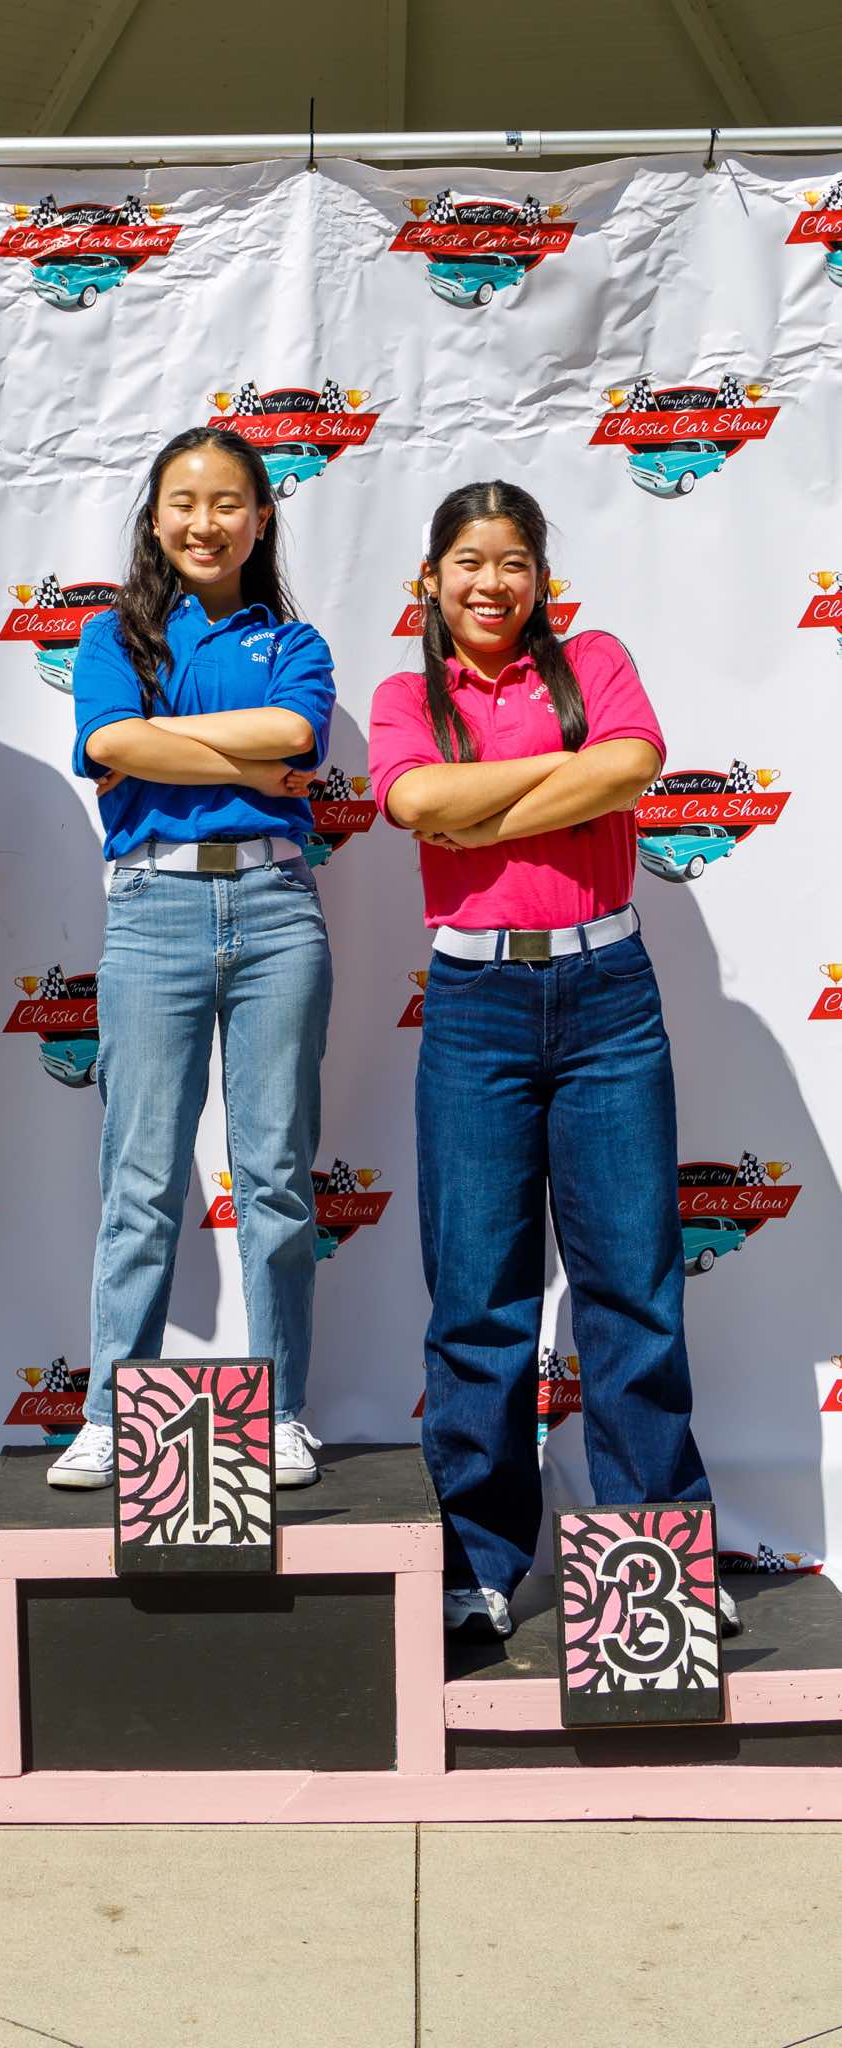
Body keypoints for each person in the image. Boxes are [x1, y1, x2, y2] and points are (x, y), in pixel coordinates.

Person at [368, 479, 738, 1639]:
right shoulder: (405, 694)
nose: (492, 583)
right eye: (470, 562)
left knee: (633, 1289)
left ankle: (656, 1555)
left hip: (608, 996)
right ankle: (478, 1559)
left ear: (541, 577)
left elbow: (628, 767)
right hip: (474, 1004)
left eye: (514, 562)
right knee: (479, 1297)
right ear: (432, 578)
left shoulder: (596, 662)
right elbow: (414, 796)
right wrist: (550, 781)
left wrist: (479, 818)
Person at [48, 426, 335, 1492]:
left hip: (275, 910)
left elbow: (295, 736)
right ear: (155, 516)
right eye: (183, 501)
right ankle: (110, 1413)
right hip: (151, 908)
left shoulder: (294, 642)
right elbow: (110, 744)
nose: (204, 523)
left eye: (226, 503)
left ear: (261, 517)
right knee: (141, 1179)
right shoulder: (113, 637)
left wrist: (180, 745)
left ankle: (281, 1412)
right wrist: (244, 760)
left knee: (275, 1179)